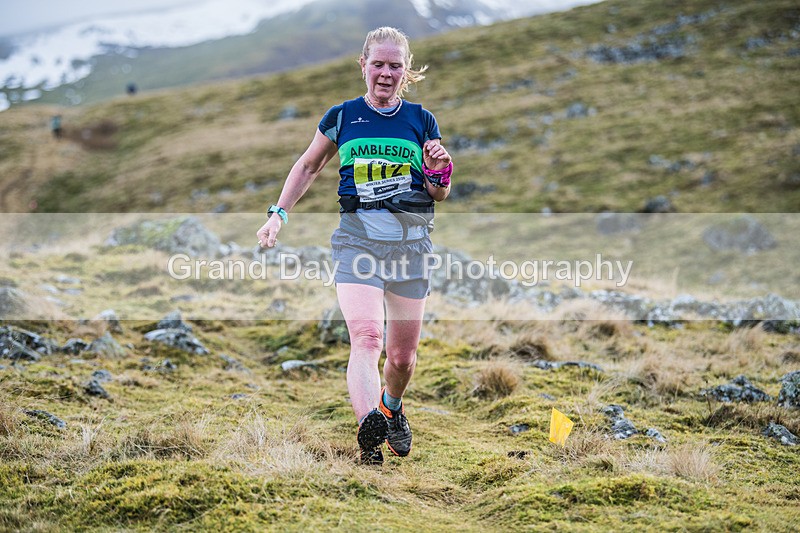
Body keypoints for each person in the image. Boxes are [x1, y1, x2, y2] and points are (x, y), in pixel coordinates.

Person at [257, 27, 453, 465]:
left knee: (402, 359)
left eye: (395, 66)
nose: (385, 73)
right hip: (356, 242)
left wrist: (440, 170)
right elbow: (308, 166)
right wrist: (278, 214)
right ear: (363, 65)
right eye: (377, 64)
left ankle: (391, 407)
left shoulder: (422, 120)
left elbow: (438, 194)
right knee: (366, 336)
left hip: (411, 248)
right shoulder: (342, 117)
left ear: (406, 70)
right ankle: (369, 430)